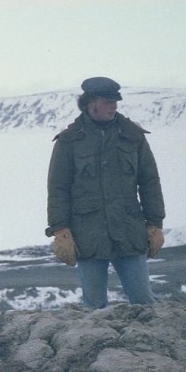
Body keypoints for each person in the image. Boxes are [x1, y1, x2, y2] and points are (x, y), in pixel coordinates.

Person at [46, 76, 166, 308]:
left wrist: (155, 223)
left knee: (144, 302)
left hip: (129, 230)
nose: (114, 106)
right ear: (91, 103)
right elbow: (58, 188)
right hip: (87, 234)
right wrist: (60, 230)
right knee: (94, 306)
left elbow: (150, 181)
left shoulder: (132, 136)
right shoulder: (69, 141)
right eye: (108, 101)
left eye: (116, 101)